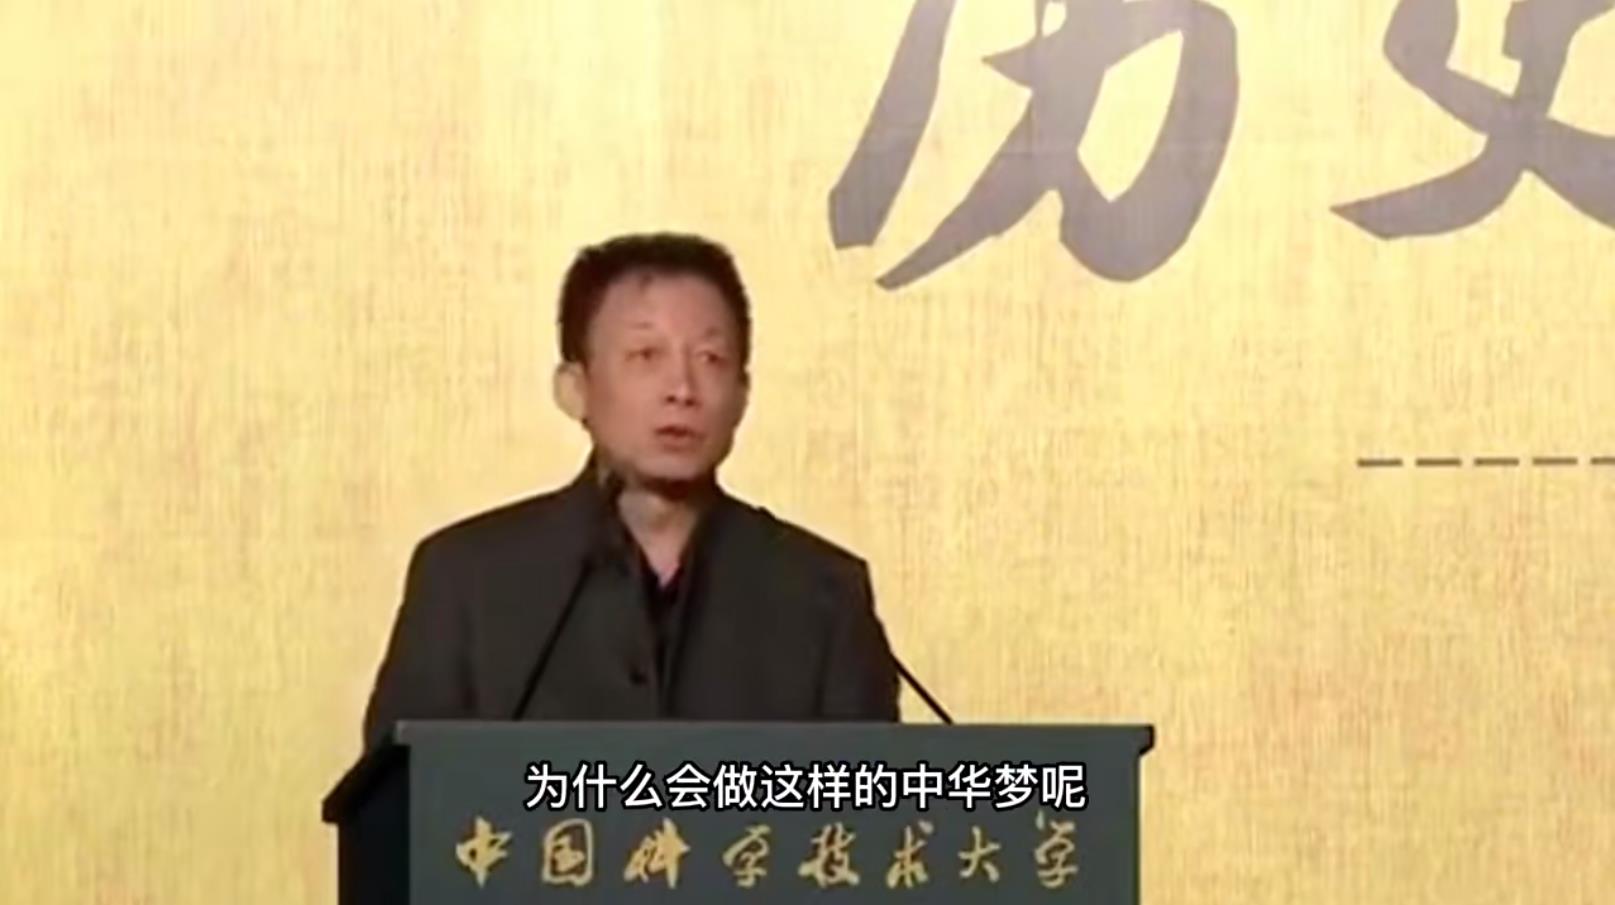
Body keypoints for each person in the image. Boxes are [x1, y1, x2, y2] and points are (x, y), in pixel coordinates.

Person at [360, 232, 901, 748]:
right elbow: (403, 798)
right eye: (646, 355)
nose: (682, 389)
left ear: (742, 395)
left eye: (710, 359)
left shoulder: (823, 594)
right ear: (575, 389)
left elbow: (871, 803)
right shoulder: (466, 580)